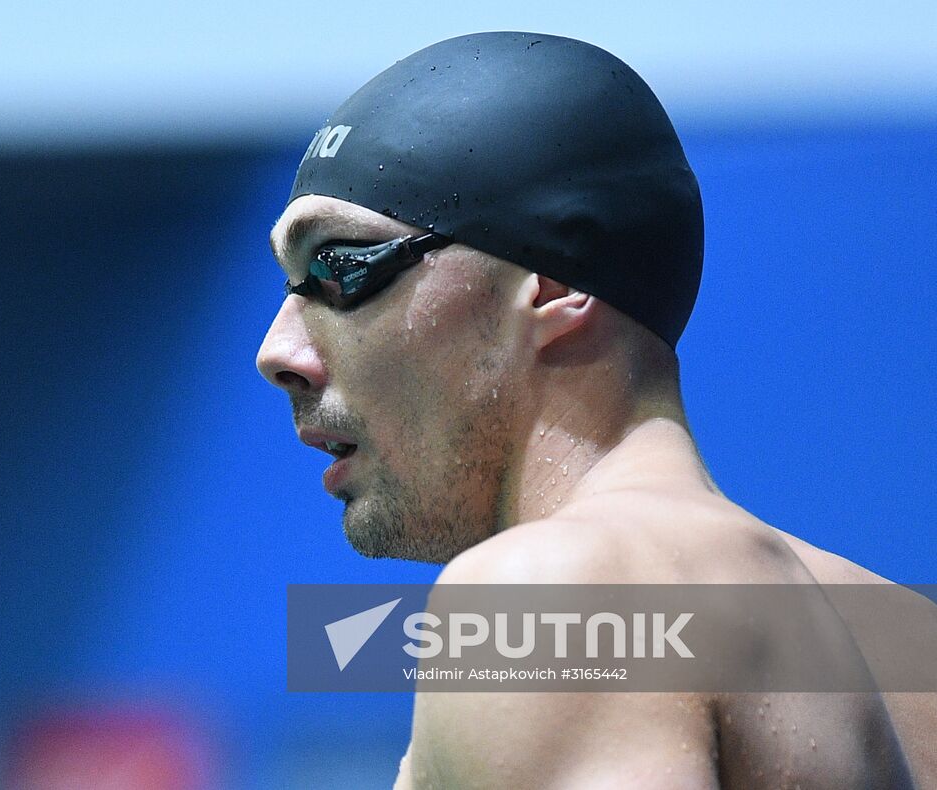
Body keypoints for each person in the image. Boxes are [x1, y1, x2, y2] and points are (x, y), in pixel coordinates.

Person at [255, 32, 934, 788]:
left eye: (341, 267)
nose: (278, 352)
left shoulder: (555, 594)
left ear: (553, 285)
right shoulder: (907, 645)